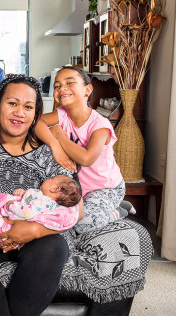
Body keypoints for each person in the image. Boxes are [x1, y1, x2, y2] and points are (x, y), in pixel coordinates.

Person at [0, 74, 84, 316]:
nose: (20, 112)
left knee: (54, 247)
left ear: (35, 115)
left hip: (34, 235)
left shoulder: (49, 152)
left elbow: (76, 210)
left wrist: (33, 230)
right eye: (12, 103)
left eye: (28, 107)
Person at [41, 66, 133, 234]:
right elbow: (37, 123)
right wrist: (55, 145)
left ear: (87, 90)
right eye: (57, 85)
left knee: (81, 224)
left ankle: (117, 211)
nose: (62, 88)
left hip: (106, 188)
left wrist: (59, 137)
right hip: (79, 188)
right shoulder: (62, 114)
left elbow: (86, 159)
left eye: (70, 83)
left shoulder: (100, 125)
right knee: (56, 216)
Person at [0, 175, 82, 238]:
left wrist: (11, 205)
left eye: (51, 179)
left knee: (3, 200)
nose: (47, 179)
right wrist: (22, 194)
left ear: (55, 189)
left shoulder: (45, 201)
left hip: (16, 219)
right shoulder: (42, 197)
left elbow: (28, 213)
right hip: (17, 213)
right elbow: (28, 201)